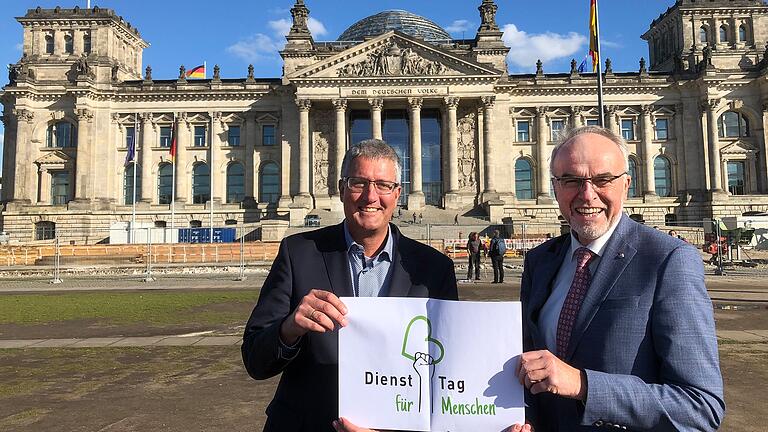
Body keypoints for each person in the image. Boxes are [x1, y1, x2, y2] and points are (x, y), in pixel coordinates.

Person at [242, 139, 458, 432]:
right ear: (342, 189)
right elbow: (256, 360)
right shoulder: (298, 253)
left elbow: (448, 369)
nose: (370, 196)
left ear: (397, 193)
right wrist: (290, 327)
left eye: (383, 185)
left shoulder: (434, 269)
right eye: (359, 183)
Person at [516, 126, 724, 431]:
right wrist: (525, 419)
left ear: (626, 185)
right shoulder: (540, 261)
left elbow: (700, 406)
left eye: (602, 180)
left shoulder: (669, 260)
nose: (587, 195)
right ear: (555, 188)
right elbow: (527, 367)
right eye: (571, 180)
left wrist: (583, 384)